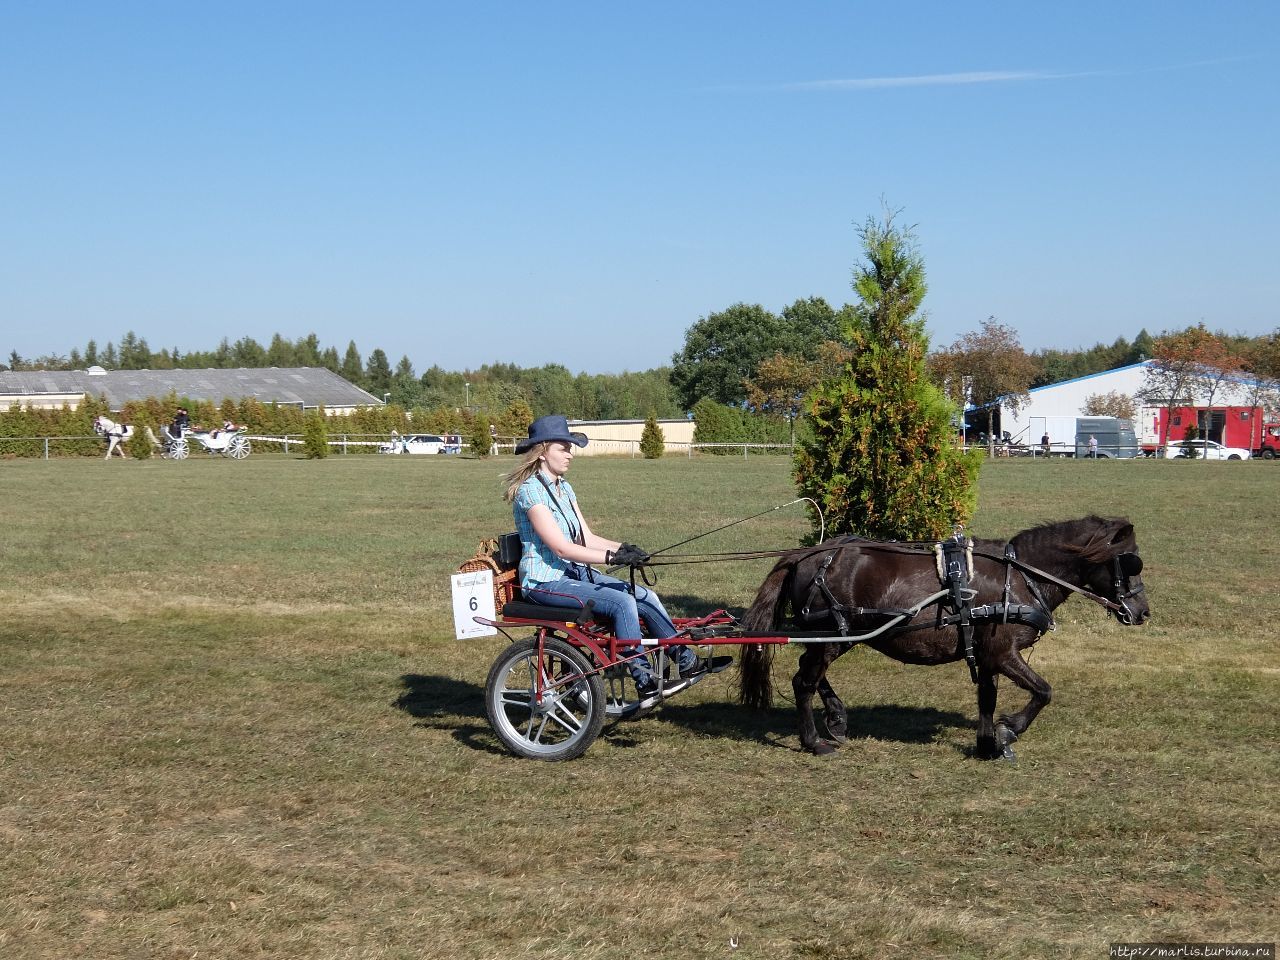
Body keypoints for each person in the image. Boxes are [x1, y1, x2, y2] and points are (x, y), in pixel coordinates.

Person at [505, 414, 728, 702]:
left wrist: (624, 548)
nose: (570, 454)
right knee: (622, 602)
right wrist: (611, 558)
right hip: (544, 582)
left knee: (643, 595)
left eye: (570, 448)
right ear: (543, 450)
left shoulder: (563, 487)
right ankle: (645, 680)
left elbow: (585, 537)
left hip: (572, 576)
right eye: (563, 448)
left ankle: (686, 661)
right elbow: (561, 548)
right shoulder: (530, 491)